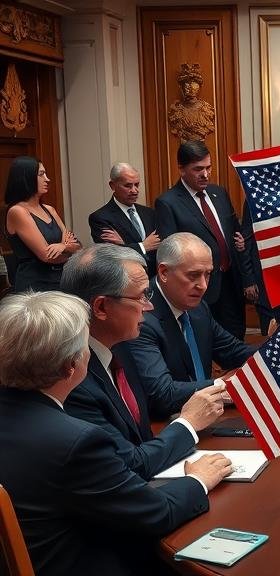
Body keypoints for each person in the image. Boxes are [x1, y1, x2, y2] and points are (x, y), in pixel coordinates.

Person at [0, 290, 233, 575]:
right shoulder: (75, 443)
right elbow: (156, 513)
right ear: (71, 366)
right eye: (85, 344)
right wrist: (199, 479)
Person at [61, 244, 229, 479]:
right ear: (101, 307)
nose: (149, 306)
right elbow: (129, 464)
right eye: (141, 296)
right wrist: (189, 422)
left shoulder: (119, 345)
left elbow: (142, 436)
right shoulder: (72, 377)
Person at [127, 232, 255, 394]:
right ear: (164, 272)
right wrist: (222, 384)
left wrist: (276, 349)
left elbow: (232, 351)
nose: (203, 286)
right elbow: (162, 392)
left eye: (208, 274)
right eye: (193, 275)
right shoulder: (140, 318)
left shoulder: (198, 307)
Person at [155, 140, 255, 339]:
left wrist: (247, 276)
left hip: (231, 283)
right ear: (182, 169)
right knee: (205, 341)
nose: (205, 174)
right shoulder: (168, 203)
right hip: (199, 288)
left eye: (208, 167)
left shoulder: (219, 193)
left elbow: (235, 234)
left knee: (236, 337)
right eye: (198, 169)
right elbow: (170, 251)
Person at [3, 155, 80, 292]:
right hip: (36, 285)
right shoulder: (18, 211)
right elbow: (47, 256)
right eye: (41, 174)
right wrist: (68, 249)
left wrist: (63, 246)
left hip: (61, 278)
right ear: (26, 178)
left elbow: (78, 247)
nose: (47, 179)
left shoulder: (50, 209)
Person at [88, 162, 161, 276]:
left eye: (137, 185)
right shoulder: (100, 218)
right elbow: (112, 255)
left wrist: (125, 245)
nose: (134, 190)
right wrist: (143, 246)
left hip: (154, 276)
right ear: (112, 185)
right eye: (128, 186)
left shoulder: (149, 213)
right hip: (126, 278)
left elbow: (159, 245)